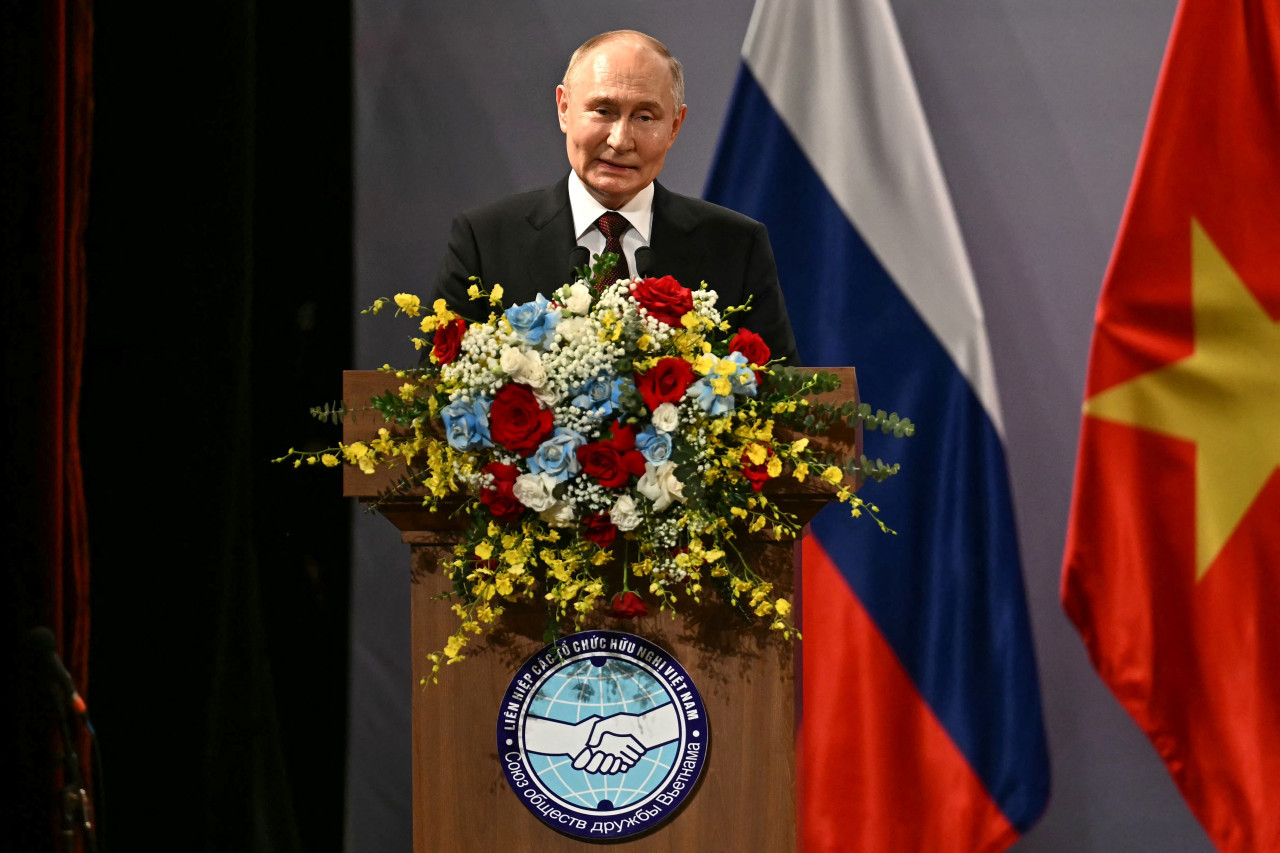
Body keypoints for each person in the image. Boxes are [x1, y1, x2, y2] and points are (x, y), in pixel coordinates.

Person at [428, 30, 799, 366]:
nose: (621, 140)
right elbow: (433, 402)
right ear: (564, 108)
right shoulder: (485, 239)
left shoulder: (735, 245)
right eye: (603, 111)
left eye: (645, 117)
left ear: (674, 127)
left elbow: (784, 404)